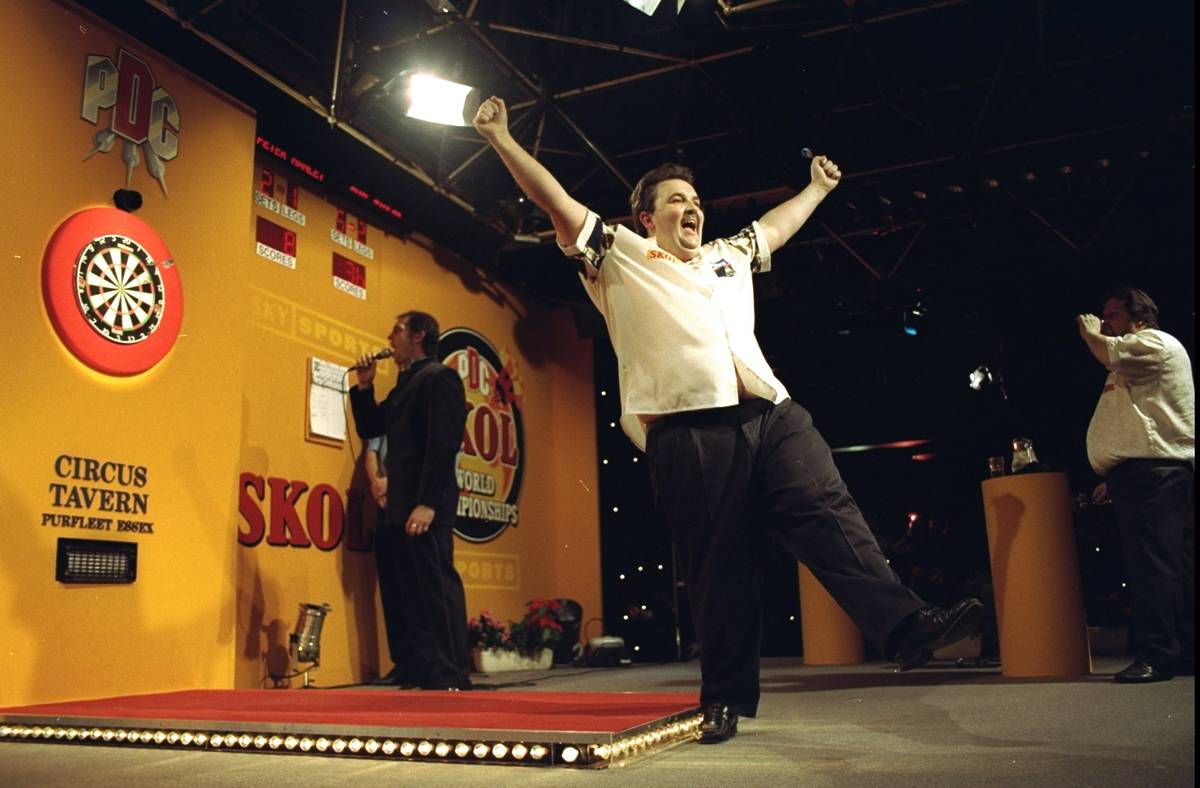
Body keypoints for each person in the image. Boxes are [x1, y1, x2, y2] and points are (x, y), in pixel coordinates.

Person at [474, 96, 984, 742]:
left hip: (769, 411)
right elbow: (557, 202)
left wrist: (818, 188)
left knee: (827, 509)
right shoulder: (618, 255)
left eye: (696, 200)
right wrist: (500, 139)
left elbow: (775, 227)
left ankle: (907, 627)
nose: (692, 208)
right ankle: (725, 698)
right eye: (677, 200)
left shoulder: (727, 254)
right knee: (721, 567)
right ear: (646, 215)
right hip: (686, 430)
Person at [350, 311, 473, 691]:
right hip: (401, 504)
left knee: (436, 587)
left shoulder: (439, 378)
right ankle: (422, 669)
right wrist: (365, 388)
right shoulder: (406, 385)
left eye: (397, 330)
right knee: (411, 591)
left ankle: (450, 674)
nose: (389, 337)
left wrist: (428, 503)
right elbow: (372, 426)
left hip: (424, 504)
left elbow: (443, 444)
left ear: (418, 335)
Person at [1077, 287, 1195, 684]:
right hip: (1146, 471)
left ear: (1137, 316)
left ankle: (1158, 655)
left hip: (1153, 472)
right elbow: (1139, 420)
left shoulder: (1151, 342)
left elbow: (1106, 350)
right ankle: (1180, 651)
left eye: (1112, 314)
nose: (1105, 320)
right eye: (1104, 314)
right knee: (1169, 564)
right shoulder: (1141, 355)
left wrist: (1091, 331)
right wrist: (1116, 473)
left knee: (1152, 568)